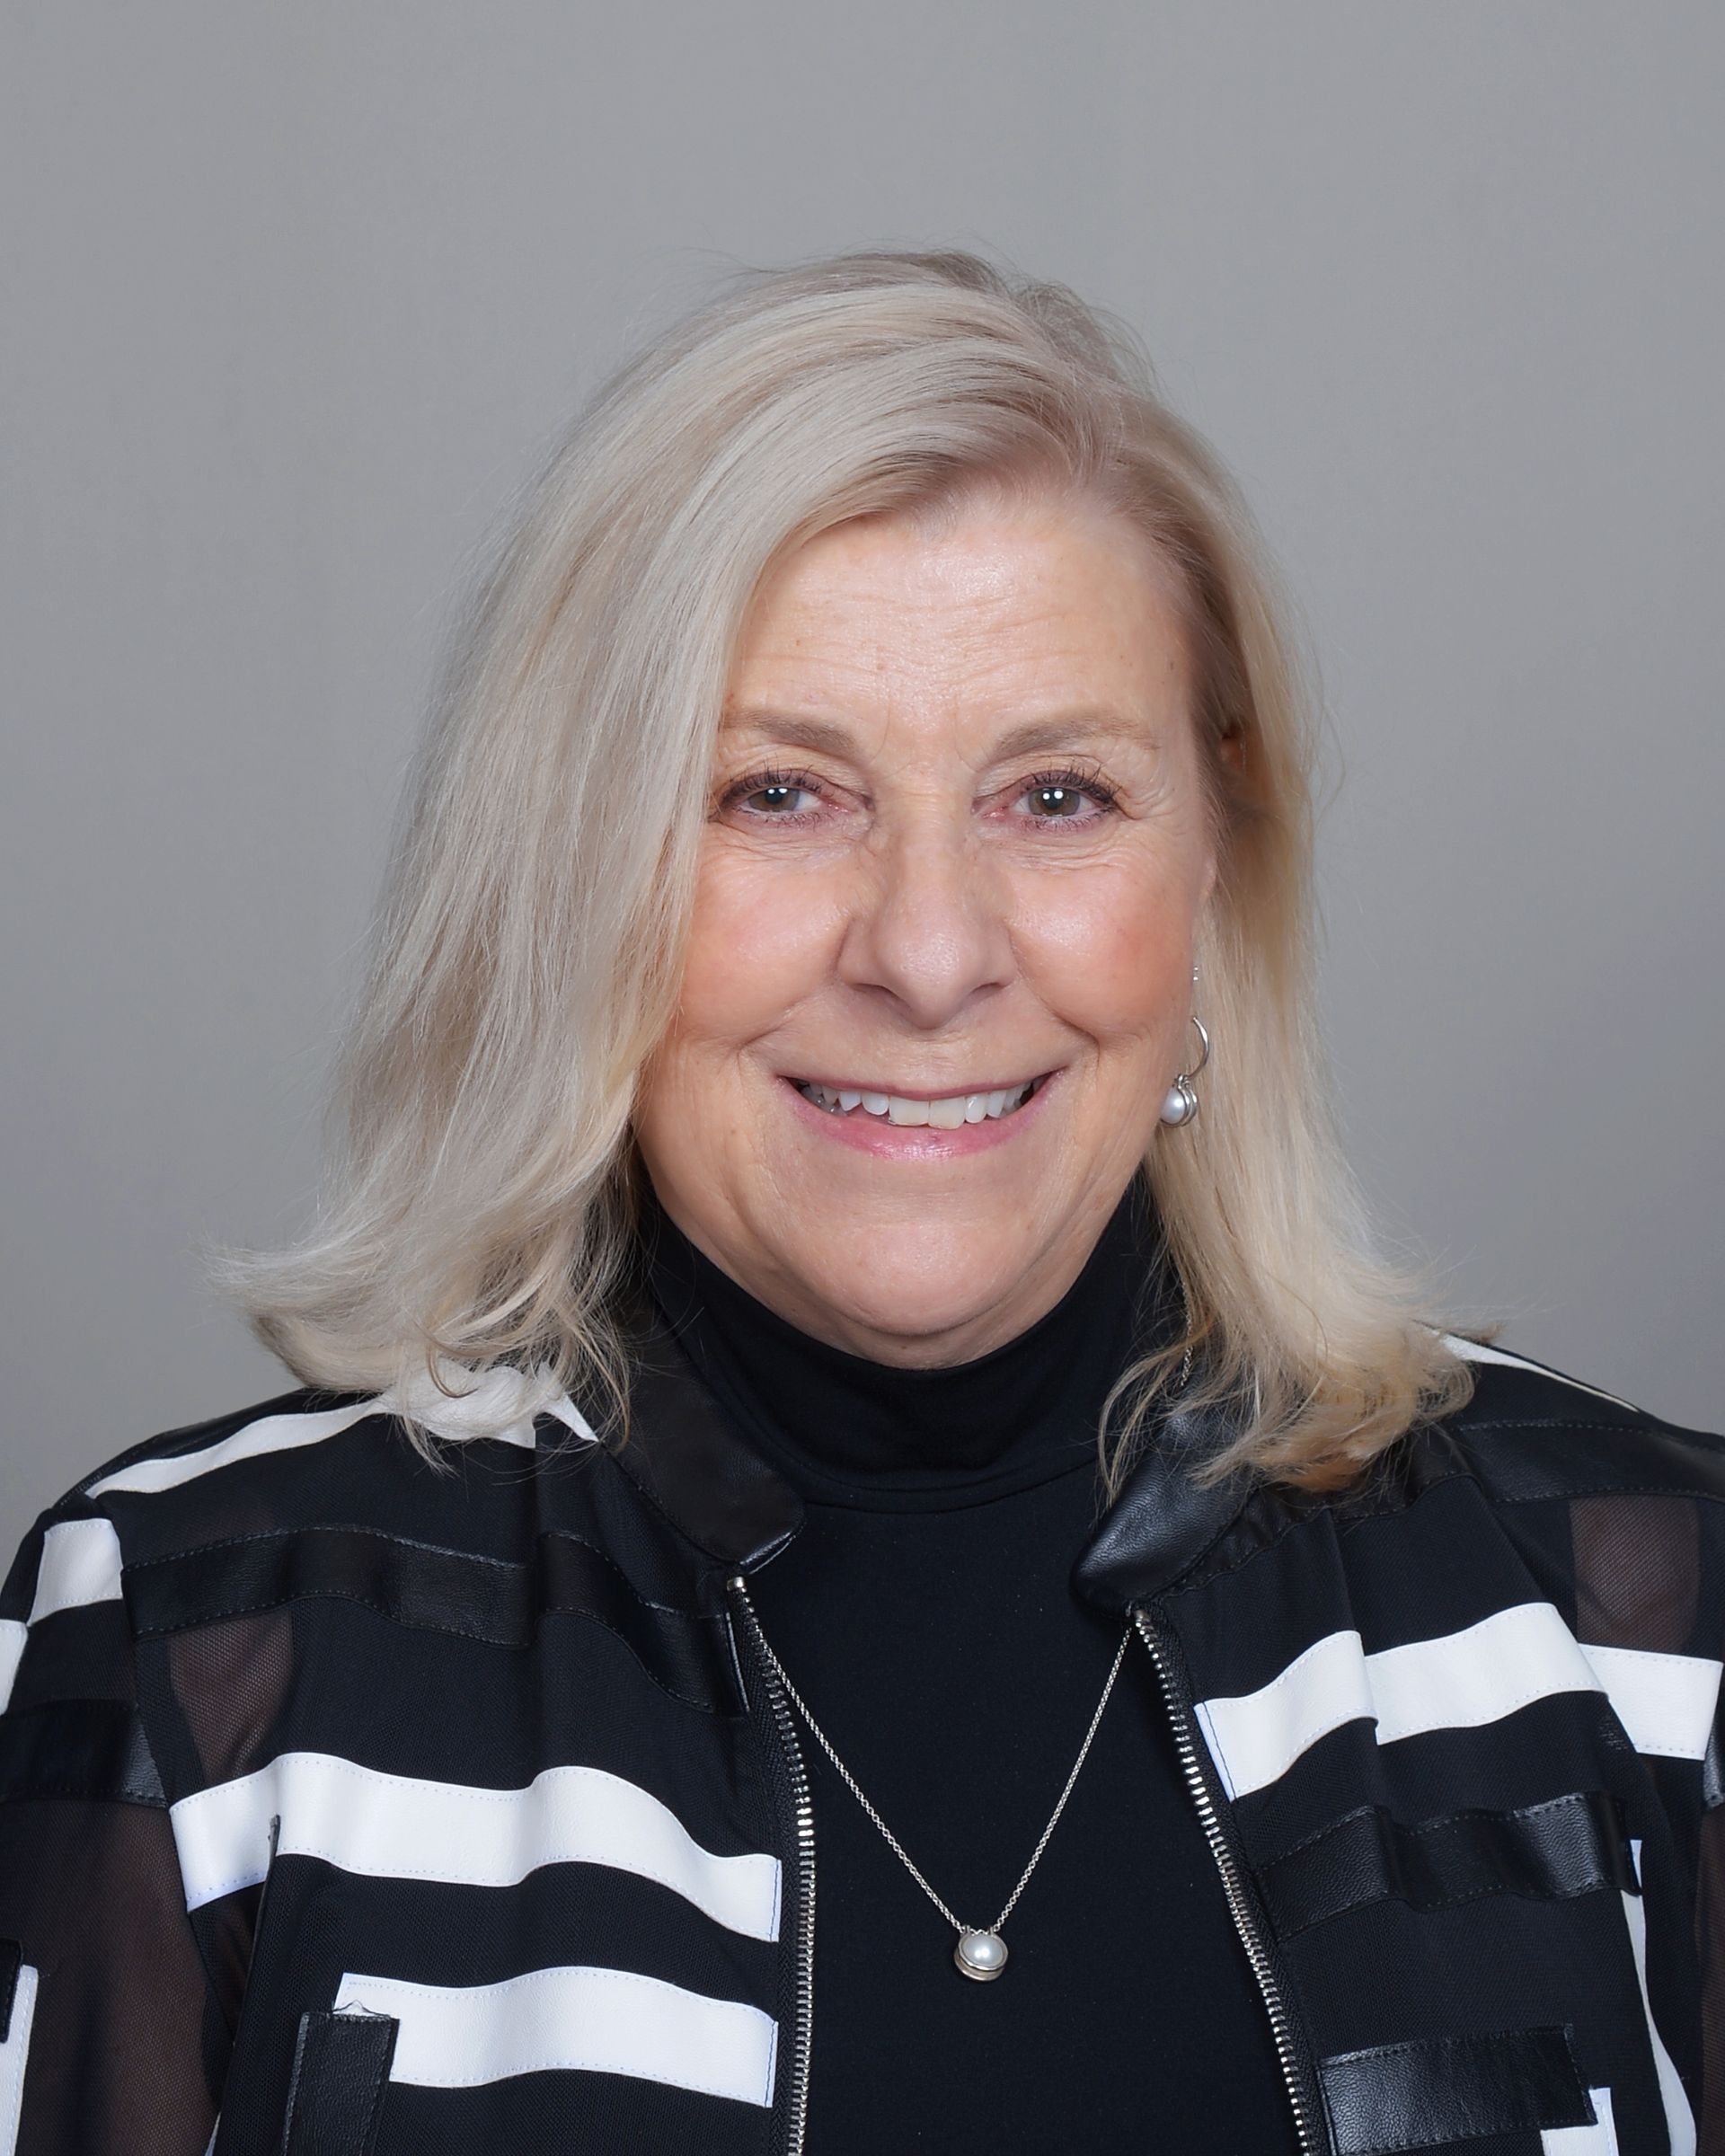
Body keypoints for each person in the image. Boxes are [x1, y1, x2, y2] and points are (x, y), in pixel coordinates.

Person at [0, 248, 1718, 2156]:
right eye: (777, 795)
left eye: (1054, 795)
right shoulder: (203, 1653)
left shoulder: (1636, 1633)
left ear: (1216, 868)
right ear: (579, 870)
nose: (925, 952)